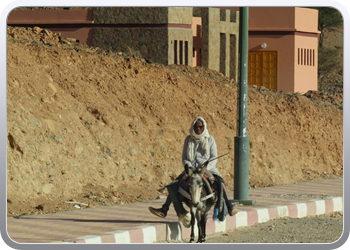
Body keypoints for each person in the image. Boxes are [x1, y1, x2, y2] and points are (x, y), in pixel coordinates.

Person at [149, 116, 239, 219]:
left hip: (207, 168)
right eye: (196, 127)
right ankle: (164, 209)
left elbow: (214, 157)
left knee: (220, 181)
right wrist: (189, 167)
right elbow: (184, 157)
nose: (198, 129)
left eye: (201, 127)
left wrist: (205, 168)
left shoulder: (210, 139)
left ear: (204, 127)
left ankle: (229, 205)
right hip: (191, 169)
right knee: (175, 184)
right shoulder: (188, 139)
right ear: (193, 127)